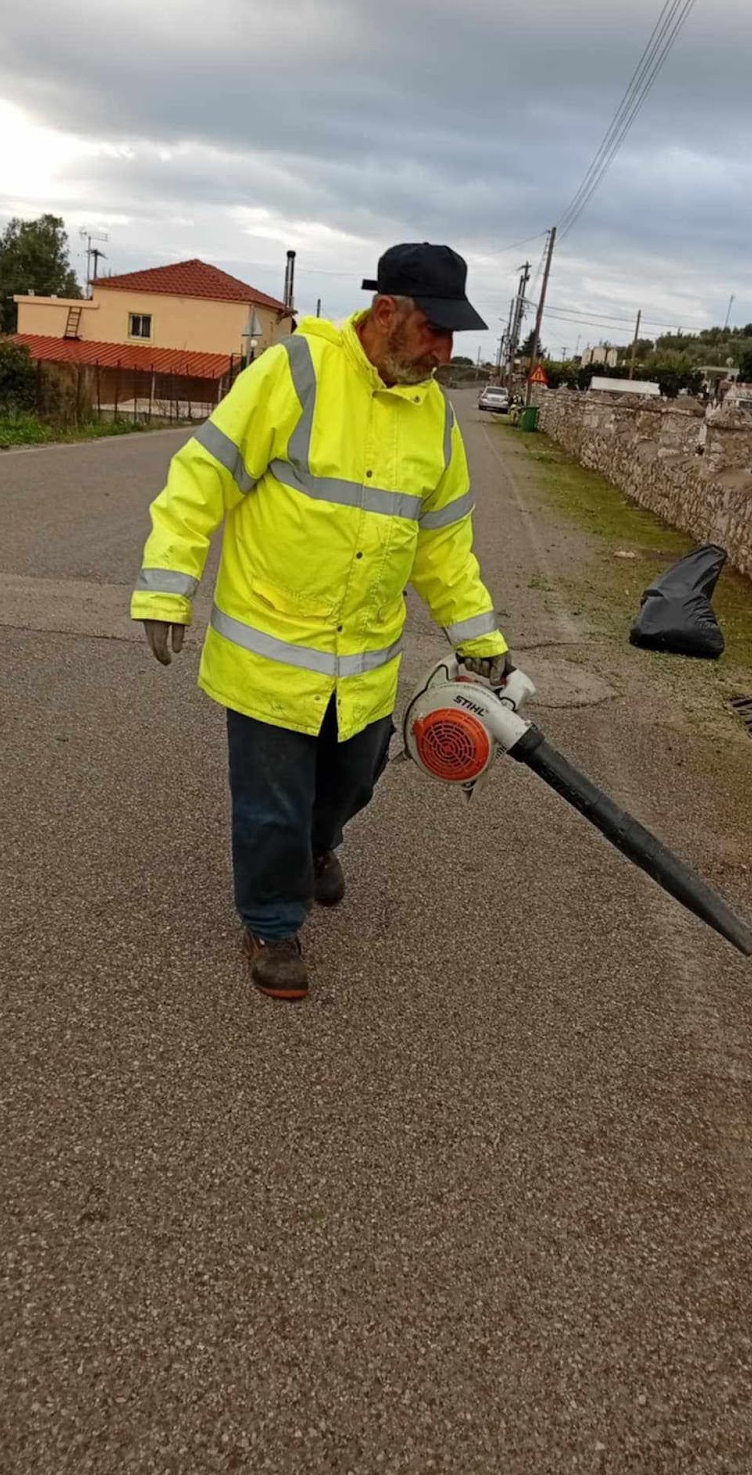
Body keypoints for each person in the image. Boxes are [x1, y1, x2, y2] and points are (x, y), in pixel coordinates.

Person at [132, 243, 511, 1001]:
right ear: (385, 312)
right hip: (271, 649)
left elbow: (442, 546)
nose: (444, 353)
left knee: (349, 786)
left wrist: (479, 637)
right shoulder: (293, 372)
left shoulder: (433, 417)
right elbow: (201, 476)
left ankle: (316, 848)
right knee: (271, 801)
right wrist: (166, 588)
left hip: (364, 659)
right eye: (434, 332)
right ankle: (271, 925)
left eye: (452, 339)